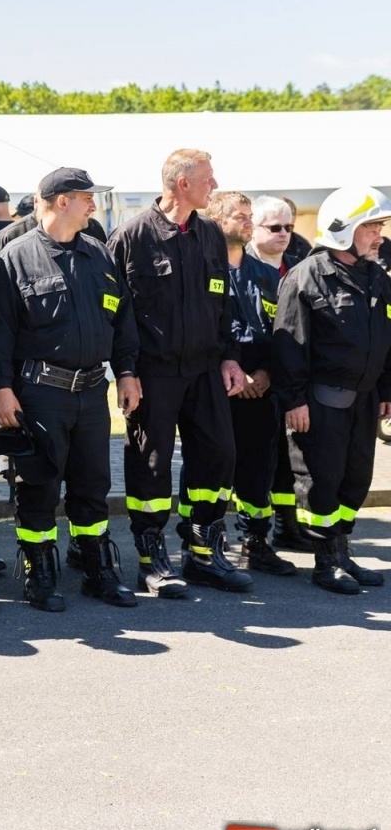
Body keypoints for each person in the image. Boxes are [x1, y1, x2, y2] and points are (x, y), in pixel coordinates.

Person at [0, 168, 142, 611]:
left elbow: (122, 319)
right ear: (61, 201)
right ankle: (39, 572)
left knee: (92, 484)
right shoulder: (14, 258)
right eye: (86, 197)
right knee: (39, 486)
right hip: (40, 393)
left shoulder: (99, 254)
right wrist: (1, 389)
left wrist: (127, 372)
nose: (93, 204)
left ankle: (97, 570)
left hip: (91, 391)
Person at [107, 149, 247, 598]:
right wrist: (125, 371)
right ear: (182, 183)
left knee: (218, 454)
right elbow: (116, 313)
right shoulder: (131, 237)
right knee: (150, 465)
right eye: (208, 178)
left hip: (205, 369)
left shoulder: (210, 234)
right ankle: (152, 560)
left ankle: (204, 553)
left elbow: (222, 301)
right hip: (154, 372)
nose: (215, 185)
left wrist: (229, 357)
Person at [270, 186, 391, 594]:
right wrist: (294, 401)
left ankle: (342, 551)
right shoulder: (306, 277)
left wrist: (387, 390)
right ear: (344, 230)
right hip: (320, 402)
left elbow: (387, 337)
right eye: (371, 227)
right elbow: (289, 346)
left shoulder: (376, 277)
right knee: (322, 480)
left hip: (364, 399)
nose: (379, 236)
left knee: (355, 479)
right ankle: (324, 561)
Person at [204, 191, 295, 576]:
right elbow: (202, 332)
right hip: (218, 390)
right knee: (213, 468)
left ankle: (255, 543)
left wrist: (266, 374)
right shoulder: (204, 271)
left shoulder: (267, 275)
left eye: (249, 216)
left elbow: (283, 332)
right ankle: (205, 543)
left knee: (259, 471)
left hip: (261, 391)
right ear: (217, 222)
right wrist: (235, 372)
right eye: (240, 216)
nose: (247, 221)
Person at [247, 194, 311, 551]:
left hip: (291, 382)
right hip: (251, 384)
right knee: (257, 461)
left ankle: (288, 527)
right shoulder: (238, 269)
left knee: (289, 460)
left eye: (288, 226)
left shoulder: (302, 267)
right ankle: (254, 538)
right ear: (253, 227)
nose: (284, 233)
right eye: (274, 227)